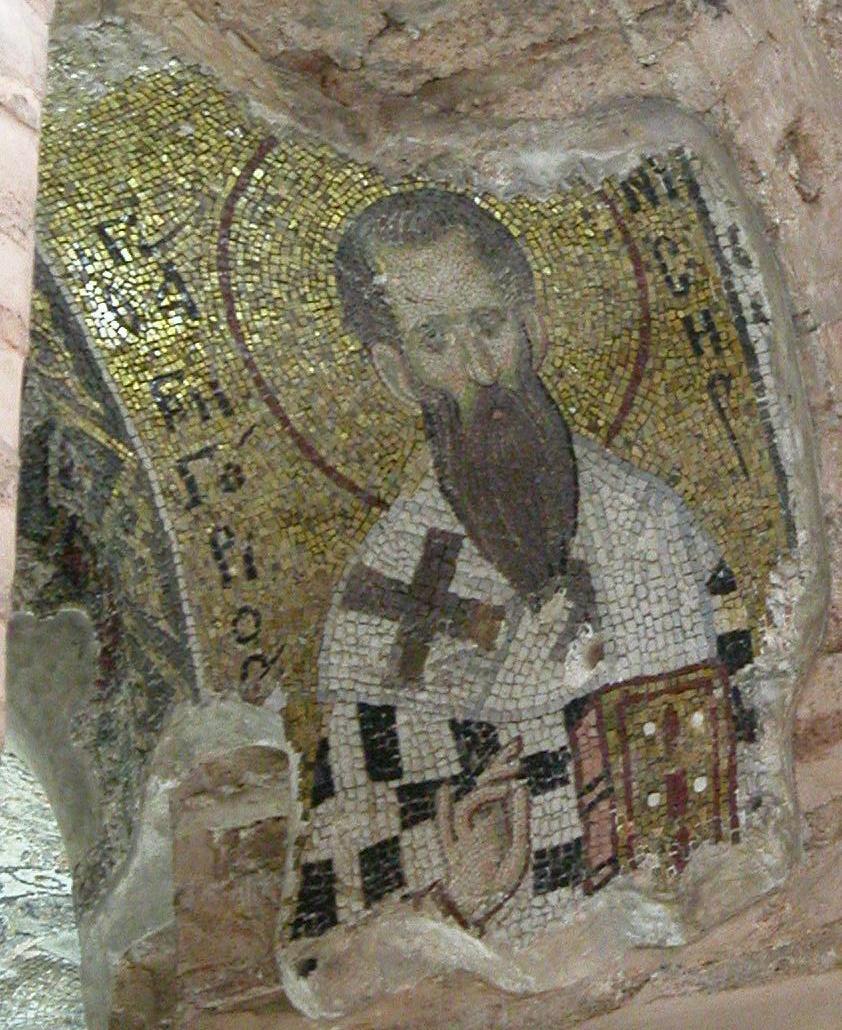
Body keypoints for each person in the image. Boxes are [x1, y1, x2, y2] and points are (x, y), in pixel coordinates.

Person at [285, 188, 752, 946]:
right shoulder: (378, 608)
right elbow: (335, 925)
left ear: (532, 326)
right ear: (398, 373)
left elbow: (757, 753)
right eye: (435, 339)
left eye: (489, 325)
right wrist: (457, 896)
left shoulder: (657, 526)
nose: (478, 368)